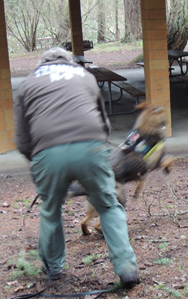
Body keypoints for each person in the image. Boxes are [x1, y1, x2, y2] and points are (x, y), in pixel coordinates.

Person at [14, 47, 140, 289]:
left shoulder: (28, 83)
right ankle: (126, 268)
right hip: (90, 148)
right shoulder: (85, 76)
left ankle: (53, 270)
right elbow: (104, 124)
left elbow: (22, 139)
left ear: (42, 63)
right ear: (69, 60)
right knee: (108, 205)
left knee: (51, 211)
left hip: (47, 152)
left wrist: (40, 162)